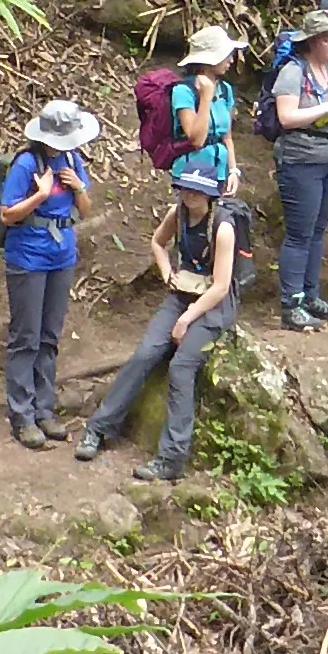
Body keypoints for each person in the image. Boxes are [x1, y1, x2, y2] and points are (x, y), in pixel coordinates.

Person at [75, 150, 252, 482]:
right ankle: (99, 429)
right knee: (145, 354)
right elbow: (158, 242)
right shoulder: (178, 213)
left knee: (182, 366)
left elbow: (222, 285)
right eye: (186, 189)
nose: (190, 196)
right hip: (182, 292)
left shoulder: (223, 228)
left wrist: (186, 319)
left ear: (211, 195)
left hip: (214, 304)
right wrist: (167, 272)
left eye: (197, 192)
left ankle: (172, 458)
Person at [0, 101, 100, 444]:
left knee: (49, 337)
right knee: (26, 336)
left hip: (62, 256)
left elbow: (84, 210)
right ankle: (22, 415)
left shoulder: (72, 160)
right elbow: (8, 215)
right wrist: (41, 195)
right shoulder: (27, 164)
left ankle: (45, 410)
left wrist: (78, 188)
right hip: (28, 257)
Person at [262, 21, 328, 331]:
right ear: (311, 42)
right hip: (301, 161)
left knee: (318, 230)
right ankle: (292, 304)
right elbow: (287, 118)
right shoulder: (293, 72)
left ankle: (311, 295)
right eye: (327, 39)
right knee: (299, 233)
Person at [167, 26, 244, 169]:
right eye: (226, 55)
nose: (231, 60)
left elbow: (226, 136)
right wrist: (206, 97)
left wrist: (233, 170)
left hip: (219, 169)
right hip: (192, 172)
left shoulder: (225, 89)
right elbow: (196, 141)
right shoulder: (183, 91)